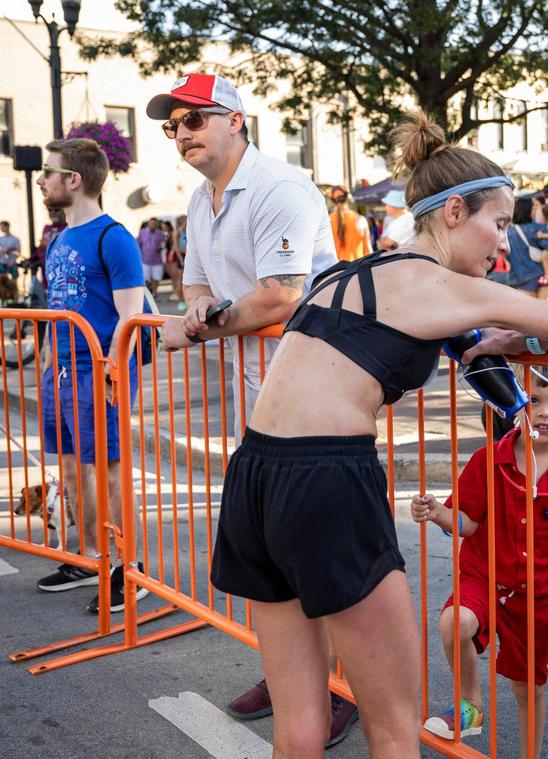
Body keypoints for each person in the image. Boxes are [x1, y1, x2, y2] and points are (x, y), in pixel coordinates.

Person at [205, 109, 548, 757]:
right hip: (326, 479)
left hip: (254, 474)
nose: (503, 244)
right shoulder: (444, 287)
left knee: (298, 724)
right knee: (393, 728)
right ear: (455, 213)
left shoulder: (343, 273)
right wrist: (521, 337)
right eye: (500, 223)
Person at [144, 72, 351, 746]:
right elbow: (197, 280)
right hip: (260, 398)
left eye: (194, 119)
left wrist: (199, 325)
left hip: (317, 397)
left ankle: (340, 688)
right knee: (274, 548)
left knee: (319, 550)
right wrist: (199, 303)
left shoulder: (279, 187)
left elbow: (282, 294)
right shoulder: (203, 200)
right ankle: (295, 673)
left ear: (237, 119)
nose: (182, 134)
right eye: (173, 125)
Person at [410, 365, 548, 758]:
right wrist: (437, 513)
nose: (544, 412)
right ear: (516, 403)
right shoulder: (488, 460)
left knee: (528, 688)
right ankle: (471, 706)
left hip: (539, 598)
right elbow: (467, 522)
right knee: (455, 621)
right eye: (534, 400)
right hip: (484, 578)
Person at [31, 138, 150, 615]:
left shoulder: (114, 237)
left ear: (73, 180)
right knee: (72, 466)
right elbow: (56, 304)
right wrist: (43, 360)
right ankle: (91, 557)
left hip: (97, 372)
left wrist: (111, 372)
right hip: (59, 371)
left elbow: (130, 317)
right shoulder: (58, 239)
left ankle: (129, 567)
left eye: (48, 171)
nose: (41, 179)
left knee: (110, 469)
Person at [507, 196, 548, 299]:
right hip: (543, 274)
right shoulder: (538, 228)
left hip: (522, 278)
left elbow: (507, 257)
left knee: (527, 313)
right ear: (528, 211)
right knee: (544, 310)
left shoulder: (509, 233)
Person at [329, 185, 372, 261]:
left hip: (335, 270)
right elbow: (368, 251)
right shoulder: (360, 220)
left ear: (332, 201)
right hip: (357, 270)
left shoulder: (327, 221)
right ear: (347, 199)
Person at [136, 217, 166, 296]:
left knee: (156, 278)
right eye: (152, 223)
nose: (153, 225)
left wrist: (160, 247)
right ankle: (147, 293)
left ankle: (154, 293)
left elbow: (163, 244)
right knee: (145, 278)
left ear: (157, 225)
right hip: (145, 260)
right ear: (148, 224)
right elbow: (138, 244)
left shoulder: (160, 233)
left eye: (155, 224)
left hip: (157, 260)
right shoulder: (142, 232)